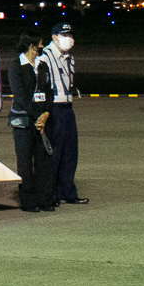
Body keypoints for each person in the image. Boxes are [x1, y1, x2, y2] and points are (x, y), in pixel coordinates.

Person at [10, 36, 56, 213]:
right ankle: (28, 201)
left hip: (41, 120)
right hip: (24, 122)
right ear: (31, 45)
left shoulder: (42, 65)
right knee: (25, 163)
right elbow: (20, 96)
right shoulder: (16, 66)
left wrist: (46, 113)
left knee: (43, 162)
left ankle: (44, 199)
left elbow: (49, 91)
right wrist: (38, 116)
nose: (42, 46)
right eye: (40, 43)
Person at [44, 23, 86, 204]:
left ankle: (67, 192)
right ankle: (50, 193)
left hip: (68, 108)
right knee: (54, 153)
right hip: (54, 109)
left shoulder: (69, 58)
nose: (69, 39)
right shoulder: (44, 58)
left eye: (70, 35)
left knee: (70, 152)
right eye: (64, 35)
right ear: (54, 37)